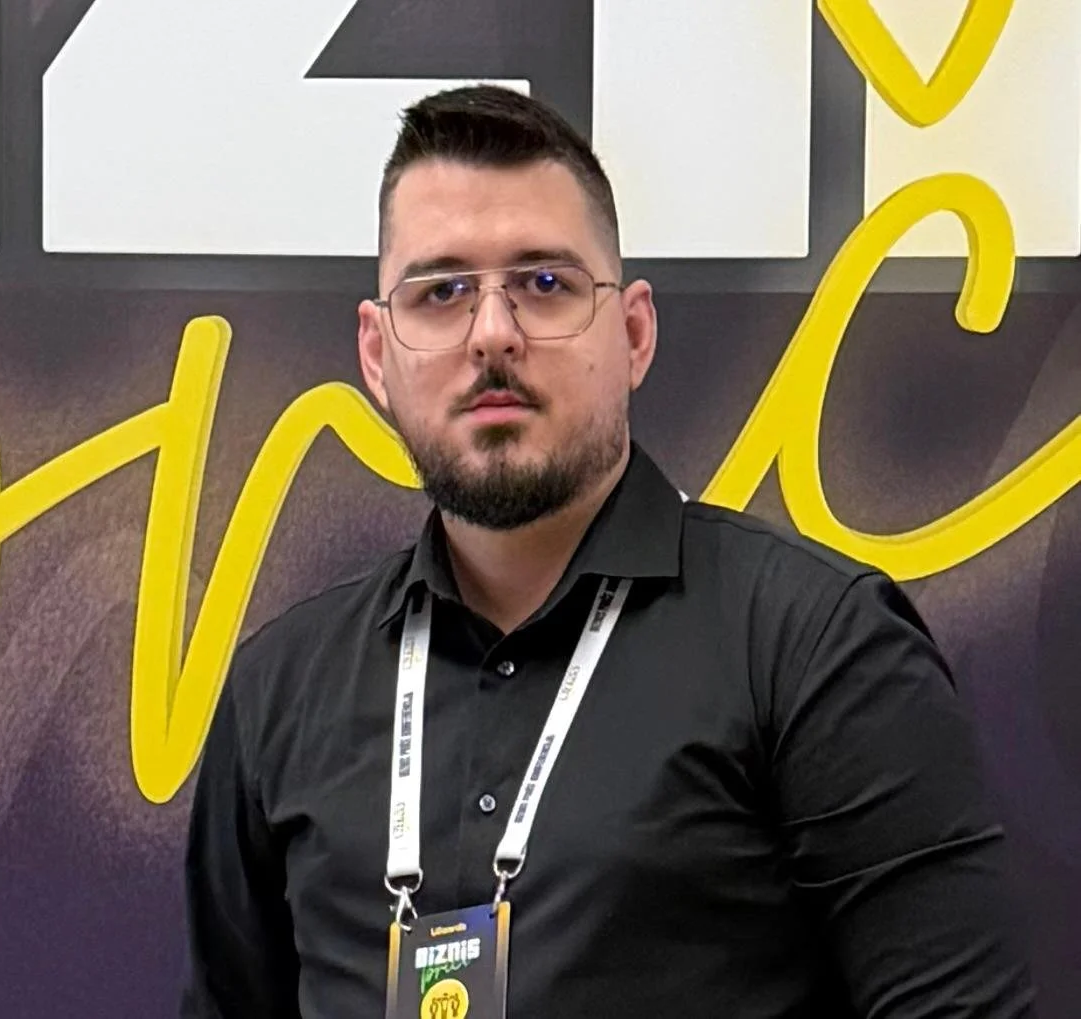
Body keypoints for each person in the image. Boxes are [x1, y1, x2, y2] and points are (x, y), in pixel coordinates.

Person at [180, 85, 1036, 1018]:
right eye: (441, 292)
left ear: (632, 334)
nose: (493, 333)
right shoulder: (281, 687)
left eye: (544, 284)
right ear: (378, 356)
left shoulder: (816, 645)